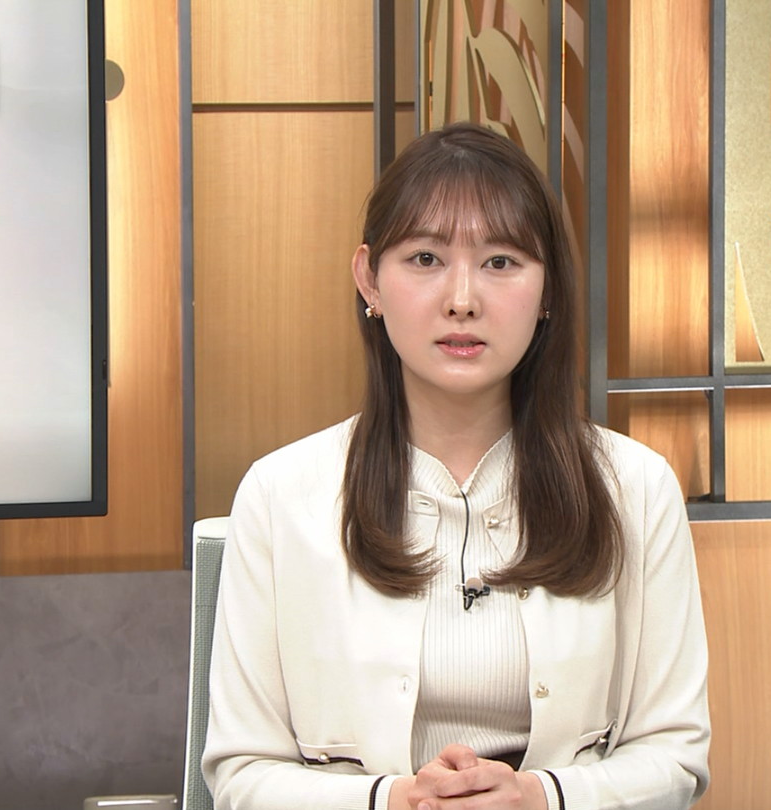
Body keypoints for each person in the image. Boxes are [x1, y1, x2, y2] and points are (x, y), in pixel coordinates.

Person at [202, 121, 710, 810]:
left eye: (500, 261)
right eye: (425, 258)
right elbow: (241, 772)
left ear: (549, 290)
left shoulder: (636, 489)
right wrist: (395, 801)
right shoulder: (280, 495)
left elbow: (675, 756)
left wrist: (540, 797)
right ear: (369, 280)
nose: (462, 299)